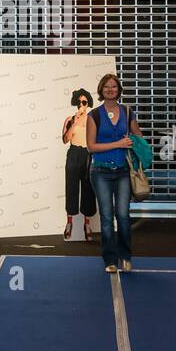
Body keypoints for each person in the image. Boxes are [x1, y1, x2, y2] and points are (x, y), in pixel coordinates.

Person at [86, 73, 144, 273]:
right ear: (101, 90)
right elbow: (91, 147)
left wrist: (134, 140)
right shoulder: (93, 115)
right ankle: (110, 260)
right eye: (106, 87)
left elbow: (139, 136)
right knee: (107, 217)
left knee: (123, 215)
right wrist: (118, 143)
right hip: (100, 172)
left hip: (123, 172)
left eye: (114, 86)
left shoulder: (128, 112)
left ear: (119, 90)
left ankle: (126, 256)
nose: (110, 89)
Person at [61, 88, 98, 241]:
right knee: (71, 187)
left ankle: (87, 224)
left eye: (84, 102)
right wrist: (74, 123)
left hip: (88, 155)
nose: (81, 104)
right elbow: (65, 139)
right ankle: (69, 222)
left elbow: (96, 140)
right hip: (73, 153)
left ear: (88, 103)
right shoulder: (69, 119)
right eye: (79, 102)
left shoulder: (92, 119)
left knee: (88, 188)